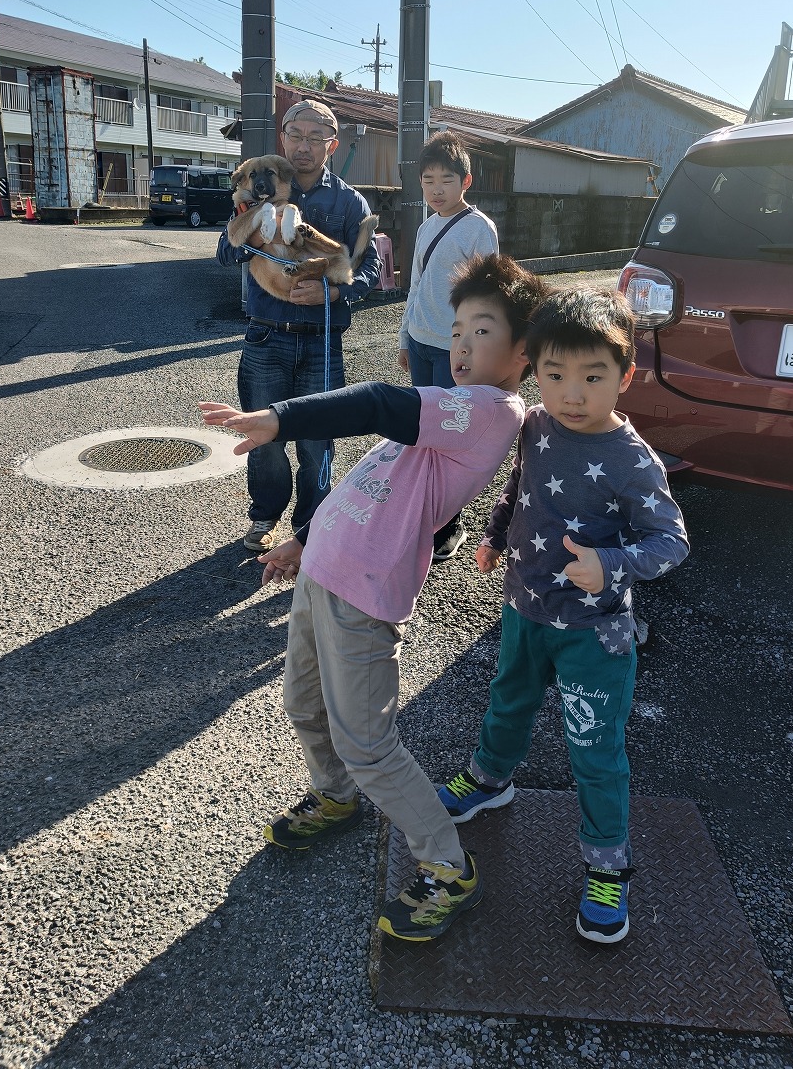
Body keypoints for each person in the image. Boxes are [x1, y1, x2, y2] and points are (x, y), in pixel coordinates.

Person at [200, 255, 547, 942]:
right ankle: (334, 796)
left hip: (364, 597)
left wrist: (281, 417)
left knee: (370, 744)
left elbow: (378, 403)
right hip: (324, 572)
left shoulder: (489, 411)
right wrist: (305, 539)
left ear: (524, 352)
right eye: (456, 332)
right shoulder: (449, 411)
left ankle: (449, 866)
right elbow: (373, 474)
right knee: (303, 703)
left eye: (482, 331)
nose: (461, 347)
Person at [437, 287, 689, 946]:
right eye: (554, 374)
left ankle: (608, 864)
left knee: (595, 750)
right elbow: (518, 487)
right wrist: (494, 534)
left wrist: (610, 565)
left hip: (592, 635)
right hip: (524, 611)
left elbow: (671, 543)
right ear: (534, 369)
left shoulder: (632, 460)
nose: (571, 393)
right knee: (508, 703)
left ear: (626, 377)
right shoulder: (537, 425)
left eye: (593, 376)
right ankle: (490, 779)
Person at [221, 99, 381, 554]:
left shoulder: (349, 202)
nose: (304, 146)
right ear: (282, 139)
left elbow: (370, 269)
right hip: (265, 335)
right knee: (263, 437)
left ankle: (311, 527)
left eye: (316, 138)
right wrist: (253, 226)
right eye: (296, 136)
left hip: (322, 340)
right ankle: (264, 515)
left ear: (331, 145)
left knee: (317, 441)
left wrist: (334, 293)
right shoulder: (256, 186)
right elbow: (225, 252)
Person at [396, 130, 499, 564]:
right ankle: (426, 512)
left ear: (466, 182)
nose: (436, 189)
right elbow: (416, 286)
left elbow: (490, 296)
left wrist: (476, 352)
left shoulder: (479, 229)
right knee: (423, 433)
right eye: (428, 180)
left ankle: (449, 523)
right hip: (421, 343)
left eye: (446, 180)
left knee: (450, 438)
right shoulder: (425, 227)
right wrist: (404, 336)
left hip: (452, 352)